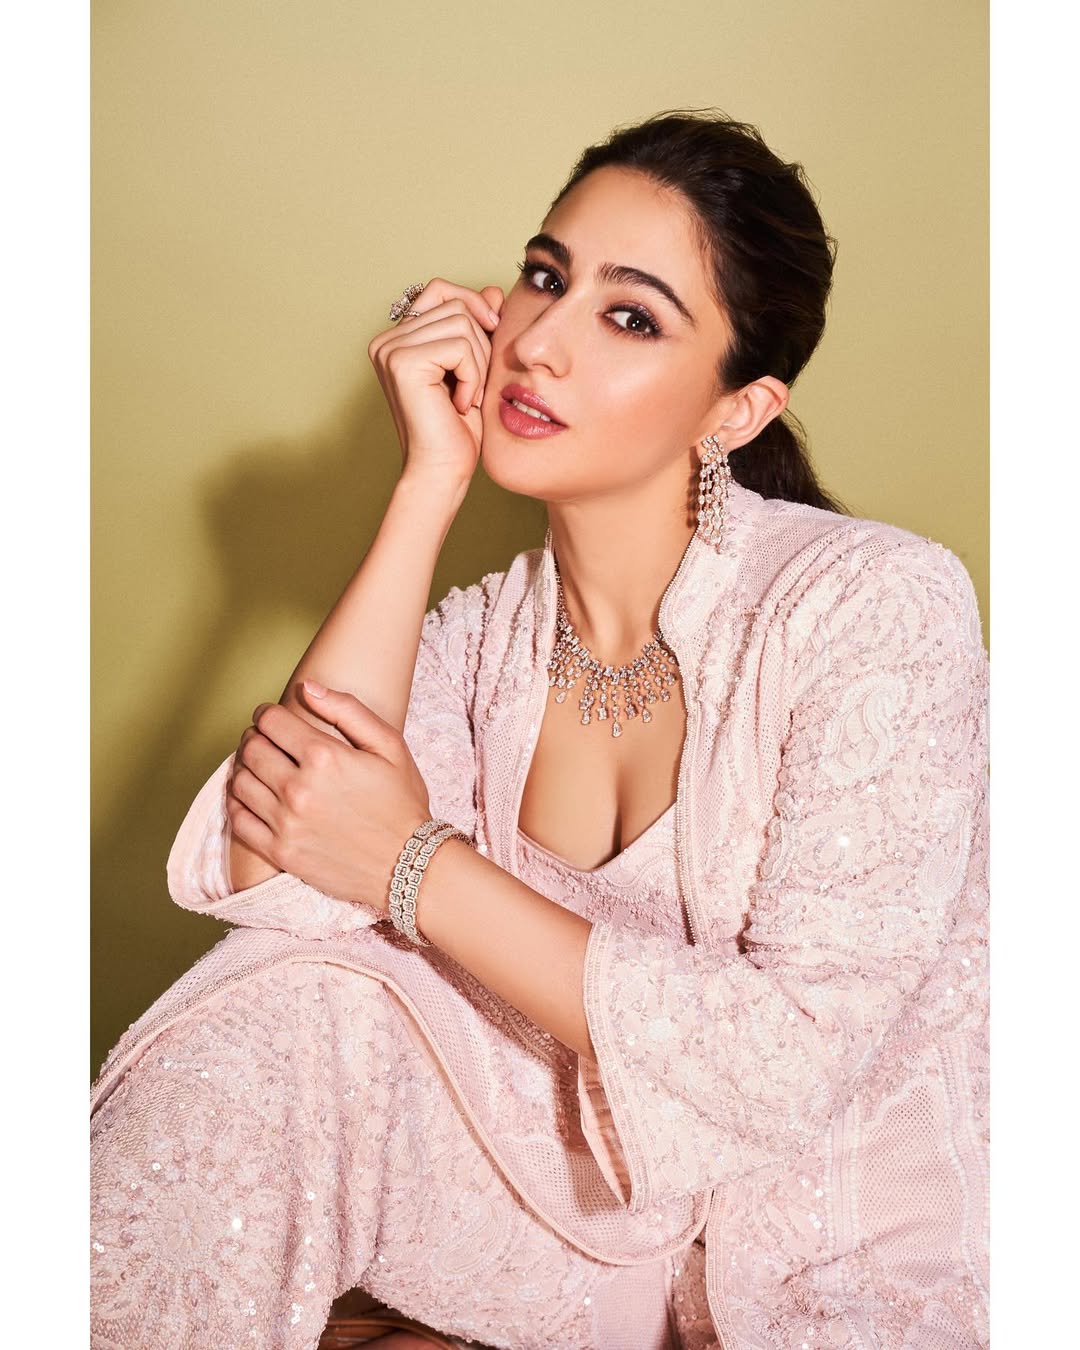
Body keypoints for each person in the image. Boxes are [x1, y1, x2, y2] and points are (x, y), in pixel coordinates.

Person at [90, 110, 990, 1349]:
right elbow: (277, 869)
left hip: (838, 1266)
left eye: (631, 318)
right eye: (545, 277)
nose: (541, 344)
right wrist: (427, 483)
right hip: (596, 1232)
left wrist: (414, 864)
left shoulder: (870, 602)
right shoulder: (486, 636)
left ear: (737, 410)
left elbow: (789, 1059)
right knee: (291, 1004)